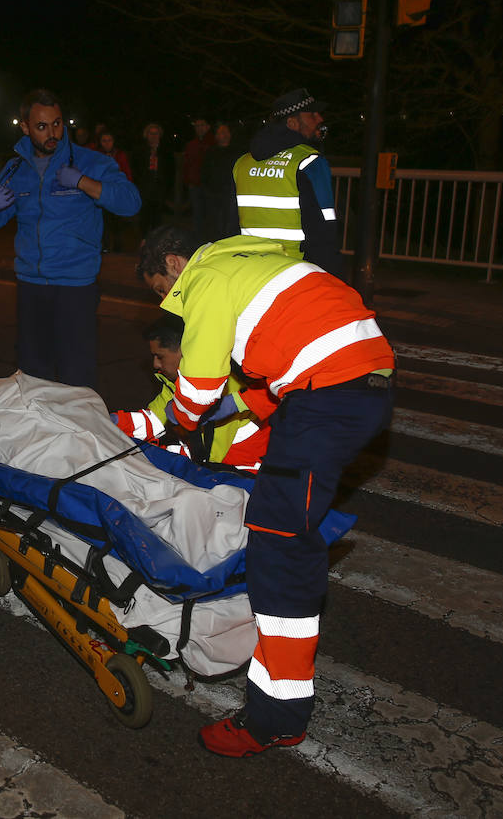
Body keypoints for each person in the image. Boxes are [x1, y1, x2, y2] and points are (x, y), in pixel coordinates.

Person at [136, 225, 395, 758]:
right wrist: (244, 405)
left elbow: (200, 384)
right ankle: (297, 555)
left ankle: (274, 717)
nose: (168, 303)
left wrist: (184, 420)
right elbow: (273, 362)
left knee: (277, 553)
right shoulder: (247, 260)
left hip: (329, 394)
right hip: (362, 381)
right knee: (288, 528)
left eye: (162, 288)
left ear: (176, 264)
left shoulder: (205, 279)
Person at [0, 88, 140, 389]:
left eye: (57, 123)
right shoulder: (15, 169)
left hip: (75, 287)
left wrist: (82, 182)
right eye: (41, 126)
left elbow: (130, 202)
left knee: (76, 376)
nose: (52, 133)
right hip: (31, 286)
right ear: (25, 127)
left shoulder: (89, 162)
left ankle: (78, 434)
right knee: (33, 375)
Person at [110, 312, 268, 472]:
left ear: (185, 350)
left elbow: (206, 457)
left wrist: (154, 452)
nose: (155, 364)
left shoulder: (223, 388)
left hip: (243, 473)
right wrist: (113, 422)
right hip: (217, 464)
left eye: (159, 356)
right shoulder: (179, 378)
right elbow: (155, 421)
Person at [228, 88, 341, 277]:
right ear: (292, 122)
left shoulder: (242, 163)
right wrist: (334, 280)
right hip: (296, 271)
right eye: (312, 114)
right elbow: (323, 233)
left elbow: (229, 225)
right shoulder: (310, 162)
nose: (319, 118)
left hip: (251, 271)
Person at [197, 121, 243, 243]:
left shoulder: (238, 152)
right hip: (214, 196)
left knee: (230, 227)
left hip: (231, 196)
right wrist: (207, 191)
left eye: (225, 131)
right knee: (215, 227)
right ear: (216, 136)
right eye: (220, 132)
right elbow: (205, 173)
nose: (223, 134)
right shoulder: (211, 152)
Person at [134, 122, 175, 235]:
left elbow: (171, 171)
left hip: (159, 189)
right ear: (146, 135)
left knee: (158, 219)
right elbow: (136, 169)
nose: (153, 136)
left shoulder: (165, 151)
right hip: (144, 189)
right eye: (151, 134)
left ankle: (156, 243)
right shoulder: (140, 151)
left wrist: (168, 189)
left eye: (156, 134)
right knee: (144, 218)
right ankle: (144, 241)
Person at [182, 116, 214, 233]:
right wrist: (187, 180)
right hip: (194, 184)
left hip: (210, 185)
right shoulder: (191, 145)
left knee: (210, 213)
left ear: (208, 127)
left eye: (202, 125)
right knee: (197, 213)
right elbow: (187, 164)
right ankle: (198, 240)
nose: (199, 128)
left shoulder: (213, 143)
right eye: (197, 126)